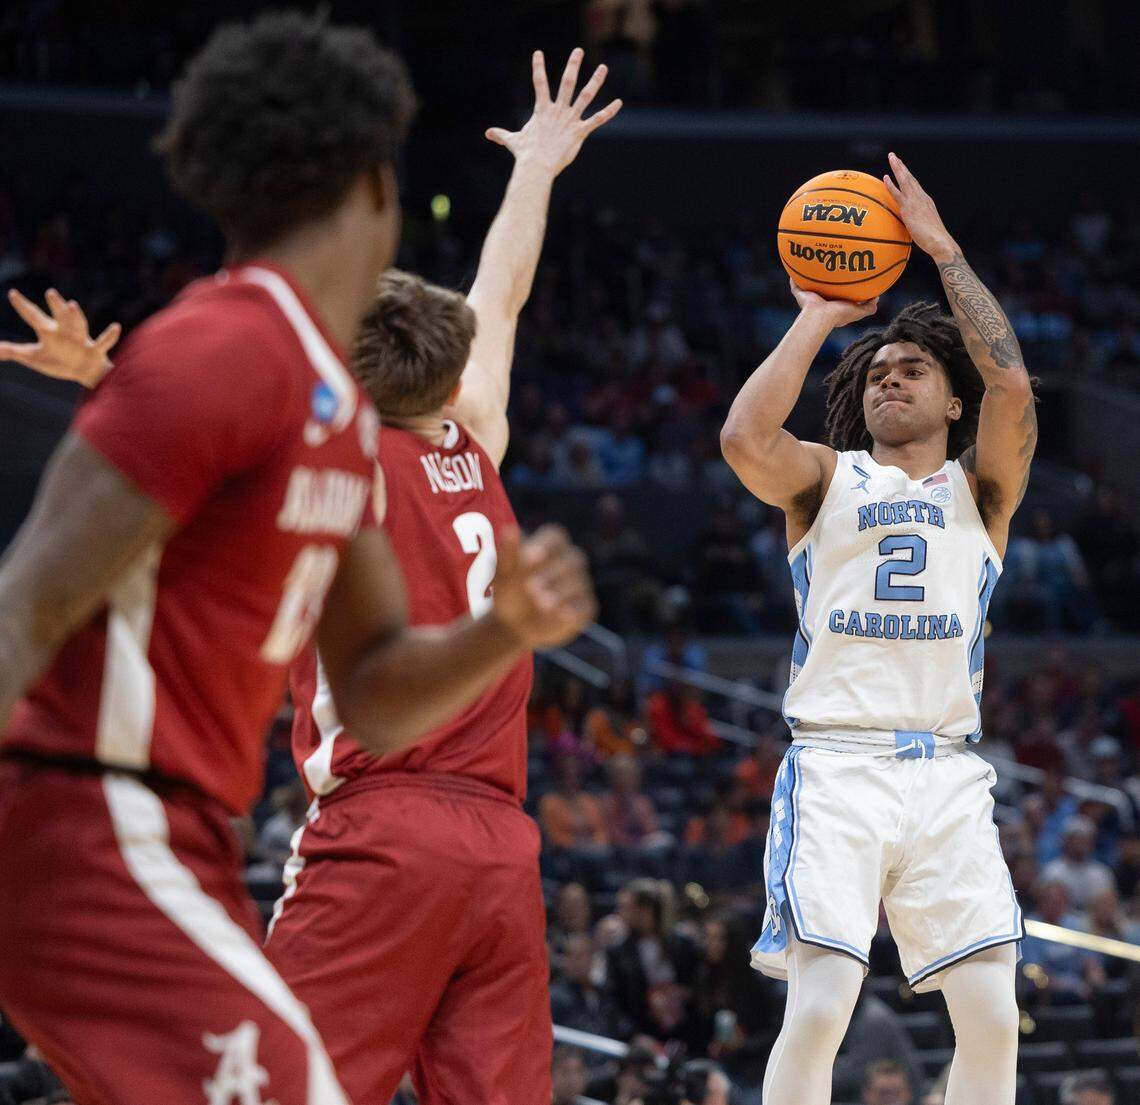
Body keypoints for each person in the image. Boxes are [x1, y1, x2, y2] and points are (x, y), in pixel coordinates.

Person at [0, 17, 595, 1105]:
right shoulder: (406, 413)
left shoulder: (329, 430)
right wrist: (539, 169)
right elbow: (496, 292)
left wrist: (104, 381)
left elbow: (367, 674)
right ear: (373, 188)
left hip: (345, 821)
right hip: (459, 831)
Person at [267, 49, 621, 1105]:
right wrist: (539, 168)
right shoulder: (475, 431)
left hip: (384, 828)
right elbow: (499, 295)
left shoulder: (333, 463)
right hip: (503, 847)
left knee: (274, 1088)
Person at [722, 154, 1035, 1105]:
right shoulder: (827, 479)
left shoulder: (981, 491)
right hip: (839, 764)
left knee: (989, 1011)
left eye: (914, 371)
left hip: (945, 768)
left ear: (952, 401)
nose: (889, 382)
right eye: (879, 375)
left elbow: (1014, 383)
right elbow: (743, 439)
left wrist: (941, 252)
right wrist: (818, 316)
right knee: (820, 1006)